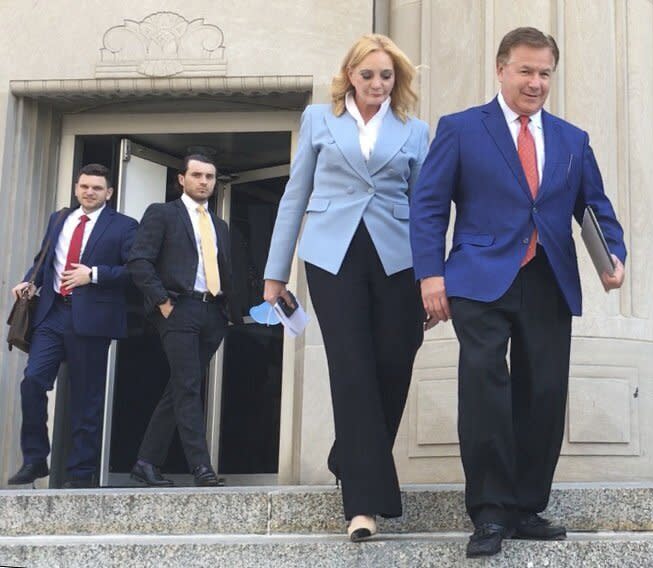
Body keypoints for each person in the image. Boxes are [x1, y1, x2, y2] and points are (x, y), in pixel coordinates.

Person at [410, 27, 626, 558]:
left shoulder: (572, 139)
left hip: (548, 278)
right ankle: (488, 512)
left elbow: (593, 206)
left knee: (544, 393)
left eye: (545, 73)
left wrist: (612, 255)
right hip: (479, 278)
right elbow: (430, 205)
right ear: (502, 69)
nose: (535, 82)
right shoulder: (462, 129)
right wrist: (430, 274)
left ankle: (527, 506)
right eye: (526, 71)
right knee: (485, 388)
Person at [262, 34, 429, 540]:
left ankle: (346, 454)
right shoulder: (318, 119)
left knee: (394, 362)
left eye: (386, 75)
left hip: (398, 257)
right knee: (352, 368)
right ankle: (363, 505)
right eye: (368, 74)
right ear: (350, 76)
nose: (377, 83)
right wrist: (275, 273)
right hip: (332, 256)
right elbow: (295, 195)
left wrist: (432, 275)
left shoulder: (416, 130)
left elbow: (427, 208)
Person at [7, 164, 137, 489]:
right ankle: (36, 458)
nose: (89, 192)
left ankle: (80, 475)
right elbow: (45, 258)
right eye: (84, 186)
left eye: (96, 188)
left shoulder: (124, 226)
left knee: (85, 398)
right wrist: (29, 282)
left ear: (109, 193)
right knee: (33, 382)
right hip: (52, 314)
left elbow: (135, 271)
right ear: (76, 188)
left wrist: (92, 274)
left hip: (92, 319)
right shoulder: (60, 218)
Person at [128, 154, 233, 487]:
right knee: (187, 386)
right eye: (198, 175)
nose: (204, 182)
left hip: (212, 313)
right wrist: (162, 301)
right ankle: (200, 467)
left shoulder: (220, 225)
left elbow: (227, 270)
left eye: (210, 177)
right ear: (182, 179)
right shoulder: (162, 213)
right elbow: (139, 261)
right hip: (178, 309)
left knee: (180, 388)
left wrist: (230, 311)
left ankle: (145, 462)